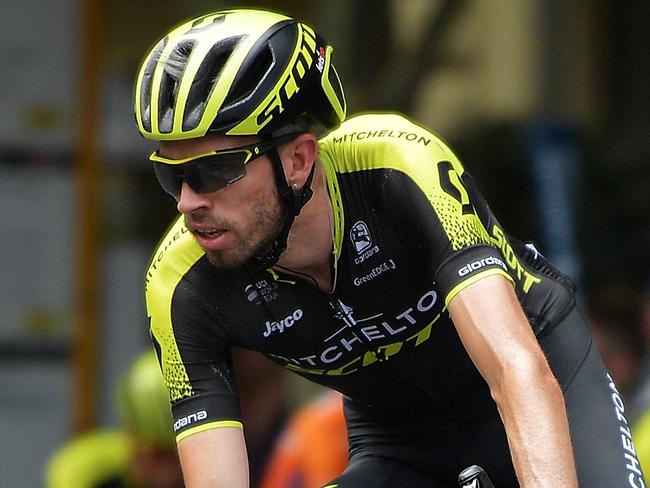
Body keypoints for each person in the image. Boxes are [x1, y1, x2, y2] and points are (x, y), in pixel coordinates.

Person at [135, 8, 645, 487]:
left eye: (213, 170)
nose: (188, 202)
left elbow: (516, 370)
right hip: (399, 441)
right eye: (170, 175)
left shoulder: (393, 168)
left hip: (541, 374)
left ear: (297, 161)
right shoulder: (182, 283)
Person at [45, 351, 184, 488]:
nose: (167, 476)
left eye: (177, 459)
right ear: (129, 432)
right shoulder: (85, 470)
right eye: (159, 455)